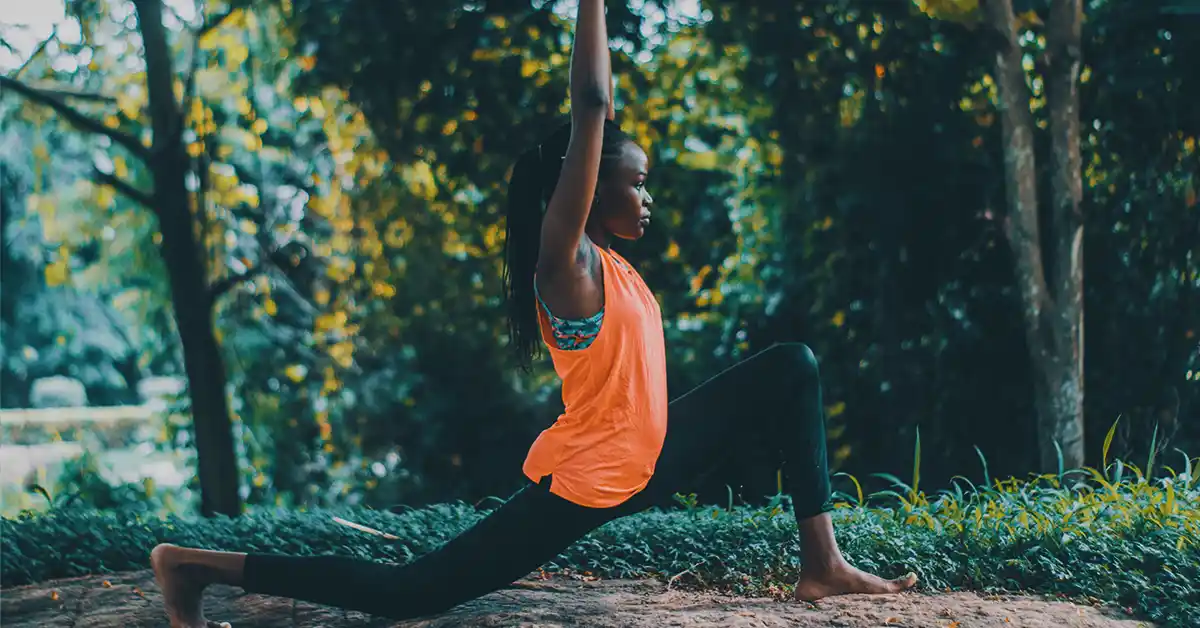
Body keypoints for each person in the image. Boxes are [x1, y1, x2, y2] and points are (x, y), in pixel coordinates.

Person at [149, 2, 916, 626]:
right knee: (410, 593)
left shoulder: (612, 265)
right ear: (588, 188)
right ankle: (192, 566)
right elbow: (591, 105)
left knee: (791, 368)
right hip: (591, 481)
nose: (646, 198)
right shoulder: (568, 264)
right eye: (637, 183)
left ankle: (823, 564)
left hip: (649, 456)